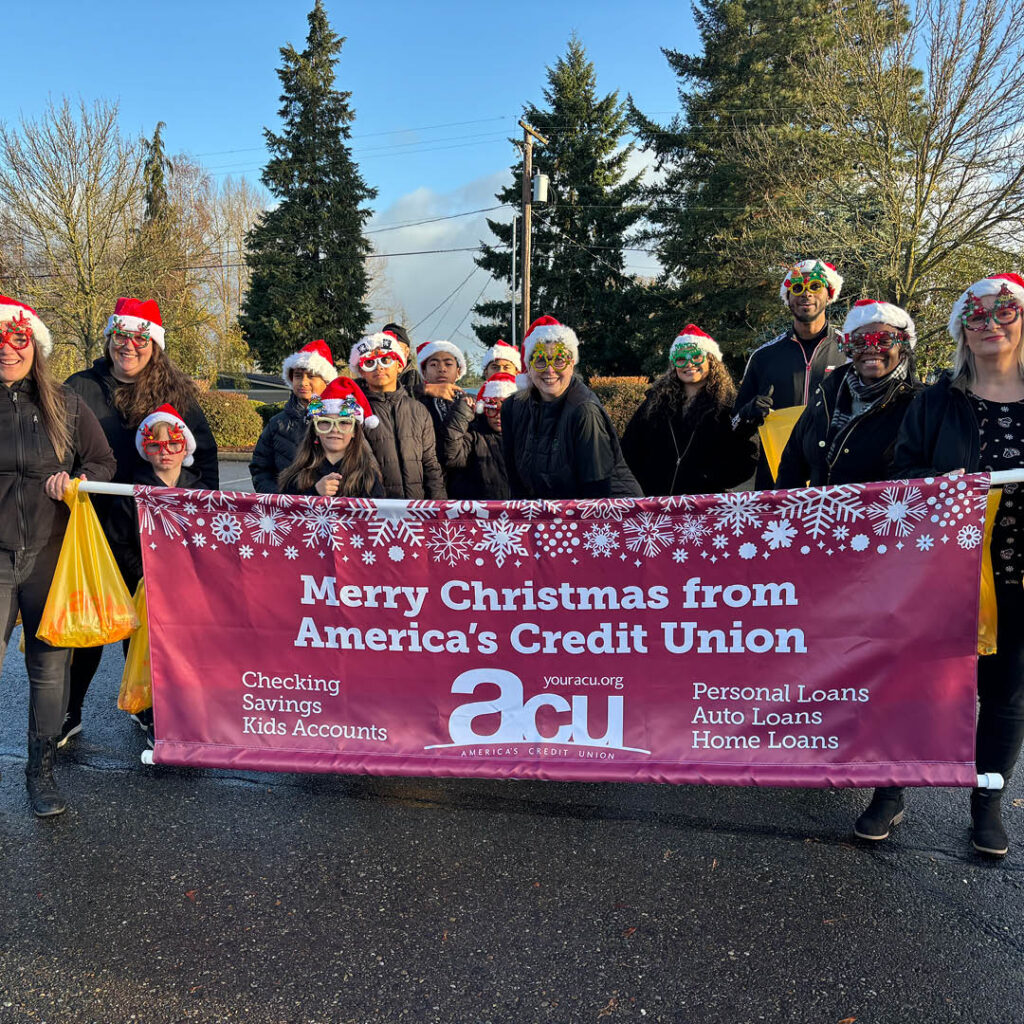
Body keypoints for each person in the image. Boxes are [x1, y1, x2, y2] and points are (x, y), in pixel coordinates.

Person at [856, 272, 1024, 857]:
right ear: (961, 330)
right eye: (975, 317)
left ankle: (987, 802)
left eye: (1003, 313)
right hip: (944, 572)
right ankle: (889, 790)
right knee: (913, 684)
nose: (989, 325)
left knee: (1006, 696)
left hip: (1017, 576)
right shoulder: (936, 400)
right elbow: (900, 477)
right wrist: (940, 489)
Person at [61, 296, 218, 745]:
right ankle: (69, 712)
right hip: (91, 526)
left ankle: (149, 709)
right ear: (110, 337)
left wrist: (193, 517)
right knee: (88, 623)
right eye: (121, 337)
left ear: (155, 344)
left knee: (151, 625)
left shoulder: (177, 393)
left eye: (139, 338)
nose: (129, 346)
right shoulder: (80, 387)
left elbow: (202, 459)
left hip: (154, 531)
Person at [0, 295, 116, 815]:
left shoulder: (66, 403)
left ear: (35, 345)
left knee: (49, 671)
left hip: (50, 556)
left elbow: (102, 460)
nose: (7, 349)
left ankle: (40, 774)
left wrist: (80, 482)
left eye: (17, 338)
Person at [104, 405, 204, 746]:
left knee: (184, 649)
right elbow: (119, 543)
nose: (165, 453)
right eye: (155, 446)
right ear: (145, 450)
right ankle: (147, 708)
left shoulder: (200, 491)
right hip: (144, 585)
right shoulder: (129, 493)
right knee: (144, 648)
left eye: (172, 444)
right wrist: (147, 575)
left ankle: (181, 706)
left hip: (187, 587)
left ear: (185, 447)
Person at [776, 300, 921, 488]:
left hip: (884, 515)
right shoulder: (827, 394)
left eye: (883, 340)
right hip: (820, 515)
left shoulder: (920, 403)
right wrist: (786, 513)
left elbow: (924, 476)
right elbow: (791, 465)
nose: (871, 348)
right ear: (850, 348)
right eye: (860, 342)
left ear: (903, 345)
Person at [501, 315, 641, 499]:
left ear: (571, 363)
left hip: (611, 513)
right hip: (559, 514)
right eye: (541, 360)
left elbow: (597, 491)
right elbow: (516, 484)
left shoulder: (584, 411)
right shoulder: (513, 408)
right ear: (529, 366)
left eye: (559, 360)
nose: (550, 370)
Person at [734, 259, 846, 486]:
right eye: (797, 288)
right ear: (788, 300)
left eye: (815, 286)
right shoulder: (763, 356)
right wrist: (749, 413)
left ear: (829, 294)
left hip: (833, 482)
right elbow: (733, 425)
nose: (806, 294)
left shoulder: (851, 351)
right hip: (776, 481)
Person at [621, 325, 757, 496]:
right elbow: (629, 450)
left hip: (703, 507)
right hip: (655, 506)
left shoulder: (727, 407)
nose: (689, 363)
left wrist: (743, 428)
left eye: (696, 357)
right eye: (680, 359)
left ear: (711, 360)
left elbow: (738, 467)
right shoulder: (654, 404)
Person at [348, 331, 445, 499]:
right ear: (361, 371)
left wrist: (440, 508)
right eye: (369, 363)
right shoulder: (356, 413)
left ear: (399, 365)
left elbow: (431, 465)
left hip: (417, 509)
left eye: (386, 360)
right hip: (375, 511)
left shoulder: (418, 410)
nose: (379, 367)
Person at [249, 339, 337, 492]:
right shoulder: (277, 424)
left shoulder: (342, 422)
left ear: (326, 380)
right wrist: (281, 499)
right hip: (288, 511)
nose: (303, 382)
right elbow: (260, 470)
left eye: (311, 376)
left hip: (331, 511)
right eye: (298, 376)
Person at [278, 377, 385, 498]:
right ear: (316, 429)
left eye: (344, 423)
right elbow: (286, 511)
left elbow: (376, 514)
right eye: (326, 422)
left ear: (354, 432)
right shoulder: (295, 476)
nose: (334, 429)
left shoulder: (368, 478)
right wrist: (314, 492)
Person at [443, 372, 518, 500]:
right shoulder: (473, 437)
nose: (498, 415)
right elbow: (451, 456)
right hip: (480, 514)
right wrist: (462, 413)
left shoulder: (525, 438)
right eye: (492, 408)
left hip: (517, 514)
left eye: (505, 409)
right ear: (482, 409)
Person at [415, 339, 468, 467]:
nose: (442, 369)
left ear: (458, 371)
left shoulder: (471, 403)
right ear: (424, 372)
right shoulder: (415, 404)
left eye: (448, 364)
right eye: (433, 365)